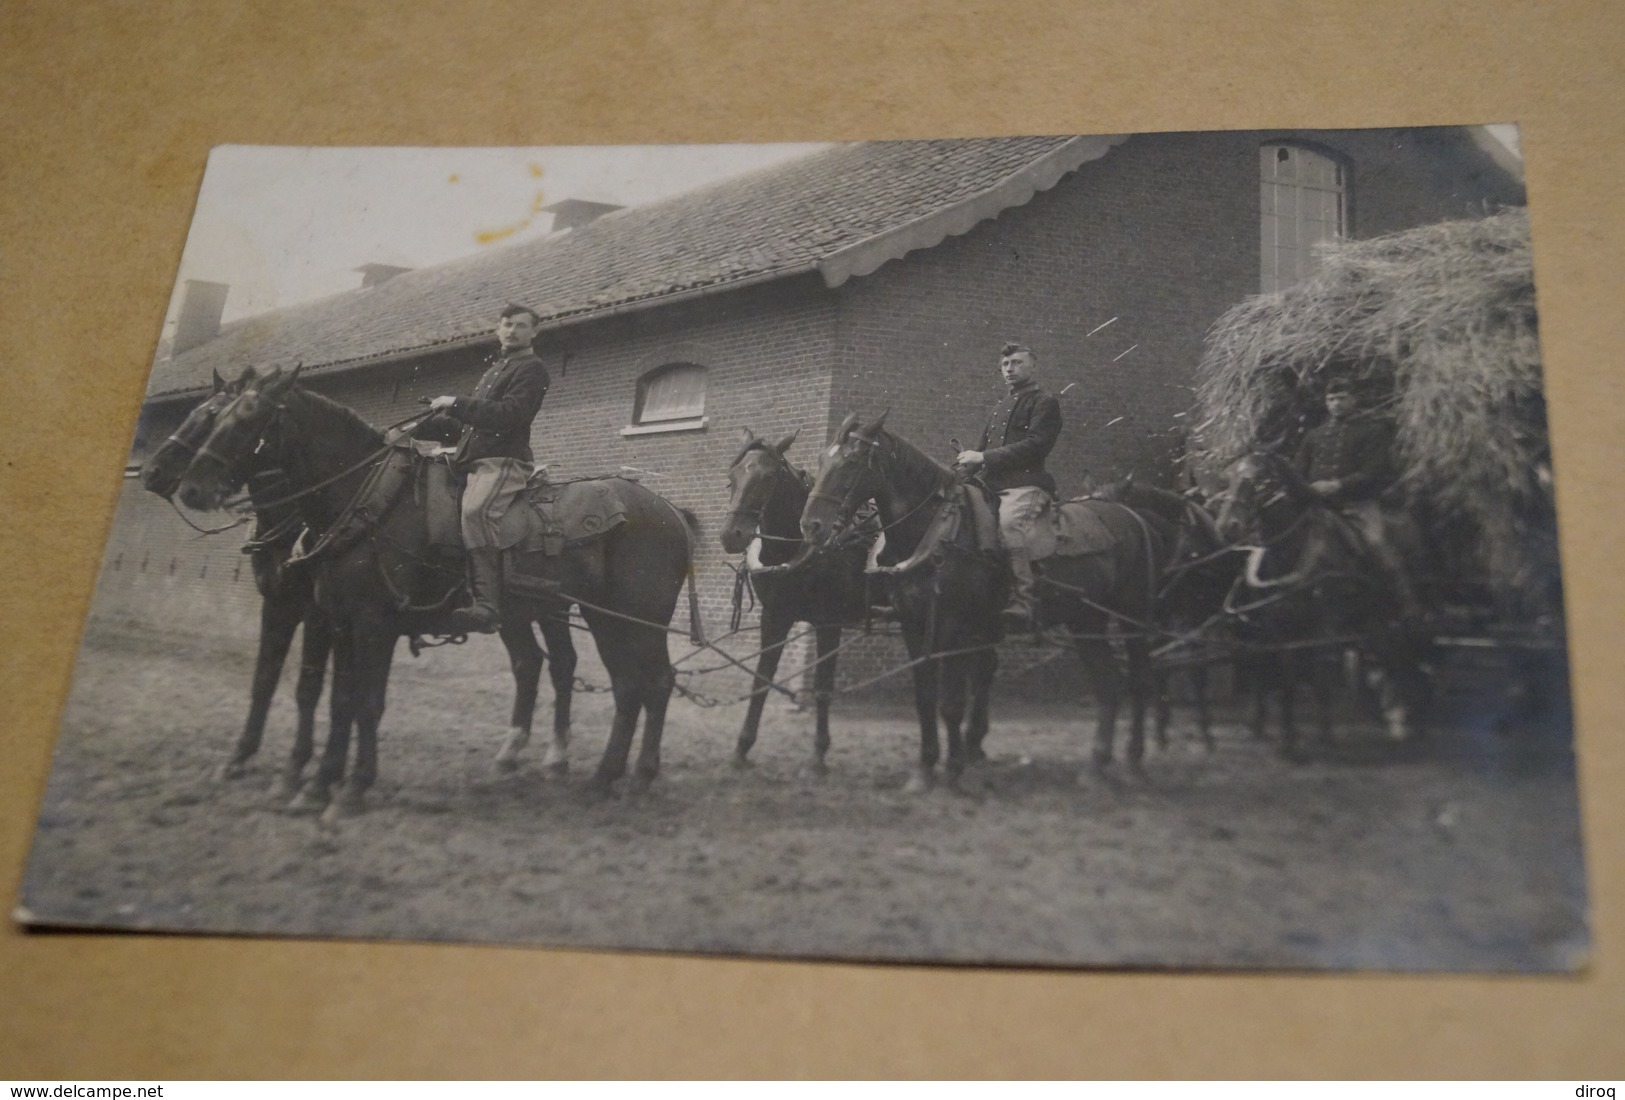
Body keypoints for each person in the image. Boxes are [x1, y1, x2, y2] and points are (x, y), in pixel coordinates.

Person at [424, 304, 551, 633]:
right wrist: (425, 426)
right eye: (507, 324)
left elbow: (510, 415)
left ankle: (488, 604)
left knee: (476, 512)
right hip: (470, 460)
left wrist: (457, 404)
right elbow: (470, 424)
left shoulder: (532, 369)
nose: (512, 331)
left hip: (503, 461)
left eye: (521, 326)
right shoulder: (496, 369)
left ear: (534, 332)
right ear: (498, 329)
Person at [1294, 376, 1421, 619]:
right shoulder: (1315, 435)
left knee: (1377, 544)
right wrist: (1308, 488)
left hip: (1358, 506)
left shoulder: (1372, 431)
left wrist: (1337, 484)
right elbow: (1298, 470)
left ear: (1354, 399)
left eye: (1342, 398)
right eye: (1331, 399)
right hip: (1319, 508)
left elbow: (1374, 471)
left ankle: (1408, 603)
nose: (1336, 404)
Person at [956, 342, 1063, 628]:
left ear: (1033, 366)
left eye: (1016, 363)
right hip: (990, 487)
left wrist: (984, 456)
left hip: (1025, 485)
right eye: (1005, 365)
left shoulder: (1044, 402)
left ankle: (1023, 600)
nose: (1009, 369)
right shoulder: (1000, 407)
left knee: (1008, 525)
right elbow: (981, 450)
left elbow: (1036, 445)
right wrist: (963, 470)